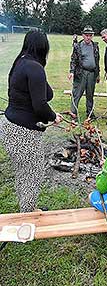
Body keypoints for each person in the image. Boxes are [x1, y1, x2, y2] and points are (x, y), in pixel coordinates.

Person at [0, 31, 63, 212]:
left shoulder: (20, 63)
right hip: (22, 133)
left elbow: (47, 93)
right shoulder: (34, 68)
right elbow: (40, 105)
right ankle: (27, 214)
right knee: (32, 174)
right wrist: (53, 117)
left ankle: (26, 206)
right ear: (44, 47)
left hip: (9, 126)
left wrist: (41, 73)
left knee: (24, 172)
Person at [68, 25, 100, 119]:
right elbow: (73, 60)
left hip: (92, 74)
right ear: (83, 35)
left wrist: (97, 74)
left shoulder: (95, 46)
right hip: (80, 73)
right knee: (76, 94)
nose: (88, 37)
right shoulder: (78, 46)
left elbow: (97, 61)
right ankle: (73, 113)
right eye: (86, 35)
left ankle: (90, 114)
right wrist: (71, 72)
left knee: (90, 95)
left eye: (90, 35)